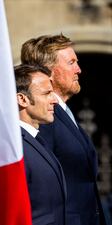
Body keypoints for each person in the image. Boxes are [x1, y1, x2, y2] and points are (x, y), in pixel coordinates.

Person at [21, 34, 107, 225]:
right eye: (71, 63)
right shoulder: (44, 117)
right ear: (50, 72)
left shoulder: (64, 112)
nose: (79, 69)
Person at [15, 64, 66, 225]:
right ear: (22, 99)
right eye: (47, 93)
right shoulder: (15, 148)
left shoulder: (36, 138)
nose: (54, 101)